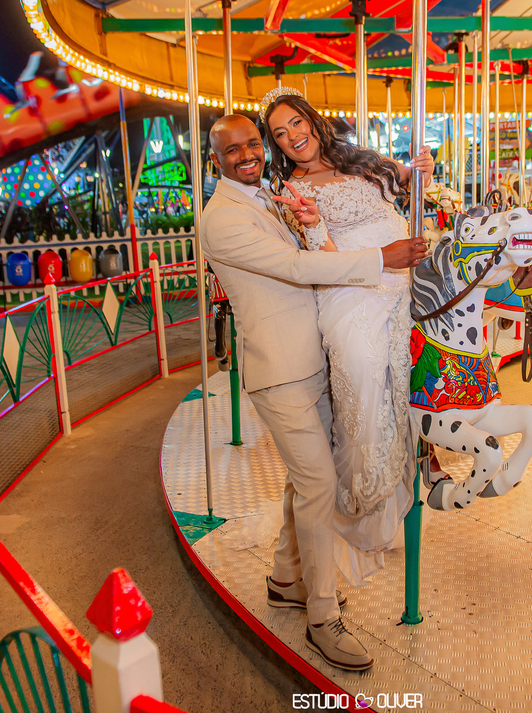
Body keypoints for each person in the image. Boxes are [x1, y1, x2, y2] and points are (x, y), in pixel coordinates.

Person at [202, 112, 427, 672]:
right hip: (281, 372)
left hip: (317, 355)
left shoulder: (268, 197)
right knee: (320, 483)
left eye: (256, 142)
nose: (249, 154)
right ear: (216, 161)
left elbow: (317, 239)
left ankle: (285, 579)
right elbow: (299, 266)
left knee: (302, 480)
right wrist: (383, 259)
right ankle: (322, 616)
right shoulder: (222, 218)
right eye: (236, 150)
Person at [261, 86, 434, 591]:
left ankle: (429, 455)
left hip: (402, 276)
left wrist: (418, 167)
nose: (292, 136)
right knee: (363, 375)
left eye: (295, 123)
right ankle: (352, 502)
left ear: (312, 121)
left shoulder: (358, 161)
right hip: (351, 288)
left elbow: (403, 178)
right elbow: (327, 257)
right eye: (280, 133)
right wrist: (314, 225)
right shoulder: (293, 190)